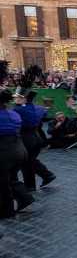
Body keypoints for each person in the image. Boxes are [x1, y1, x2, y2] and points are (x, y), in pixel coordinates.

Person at [13, 82, 56, 191]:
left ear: (25, 99)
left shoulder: (18, 109)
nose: (16, 98)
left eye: (18, 97)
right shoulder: (34, 107)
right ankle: (32, 185)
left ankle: (46, 175)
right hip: (36, 138)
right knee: (28, 162)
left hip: (26, 139)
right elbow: (44, 112)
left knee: (27, 162)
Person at [0, 88, 33, 218]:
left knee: (3, 182)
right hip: (19, 150)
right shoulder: (13, 114)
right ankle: (25, 198)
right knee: (11, 178)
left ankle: (7, 211)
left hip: (4, 152)